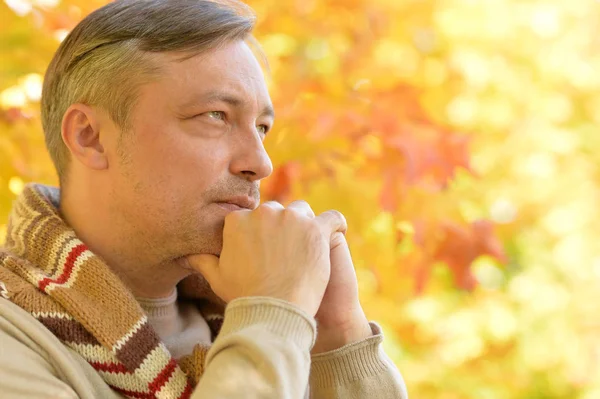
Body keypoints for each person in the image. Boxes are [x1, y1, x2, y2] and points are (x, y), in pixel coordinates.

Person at [0, 0, 408, 398]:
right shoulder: (11, 341)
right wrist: (270, 314)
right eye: (216, 116)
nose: (260, 163)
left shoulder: (283, 330)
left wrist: (337, 335)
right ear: (90, 137)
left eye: (262, 127)